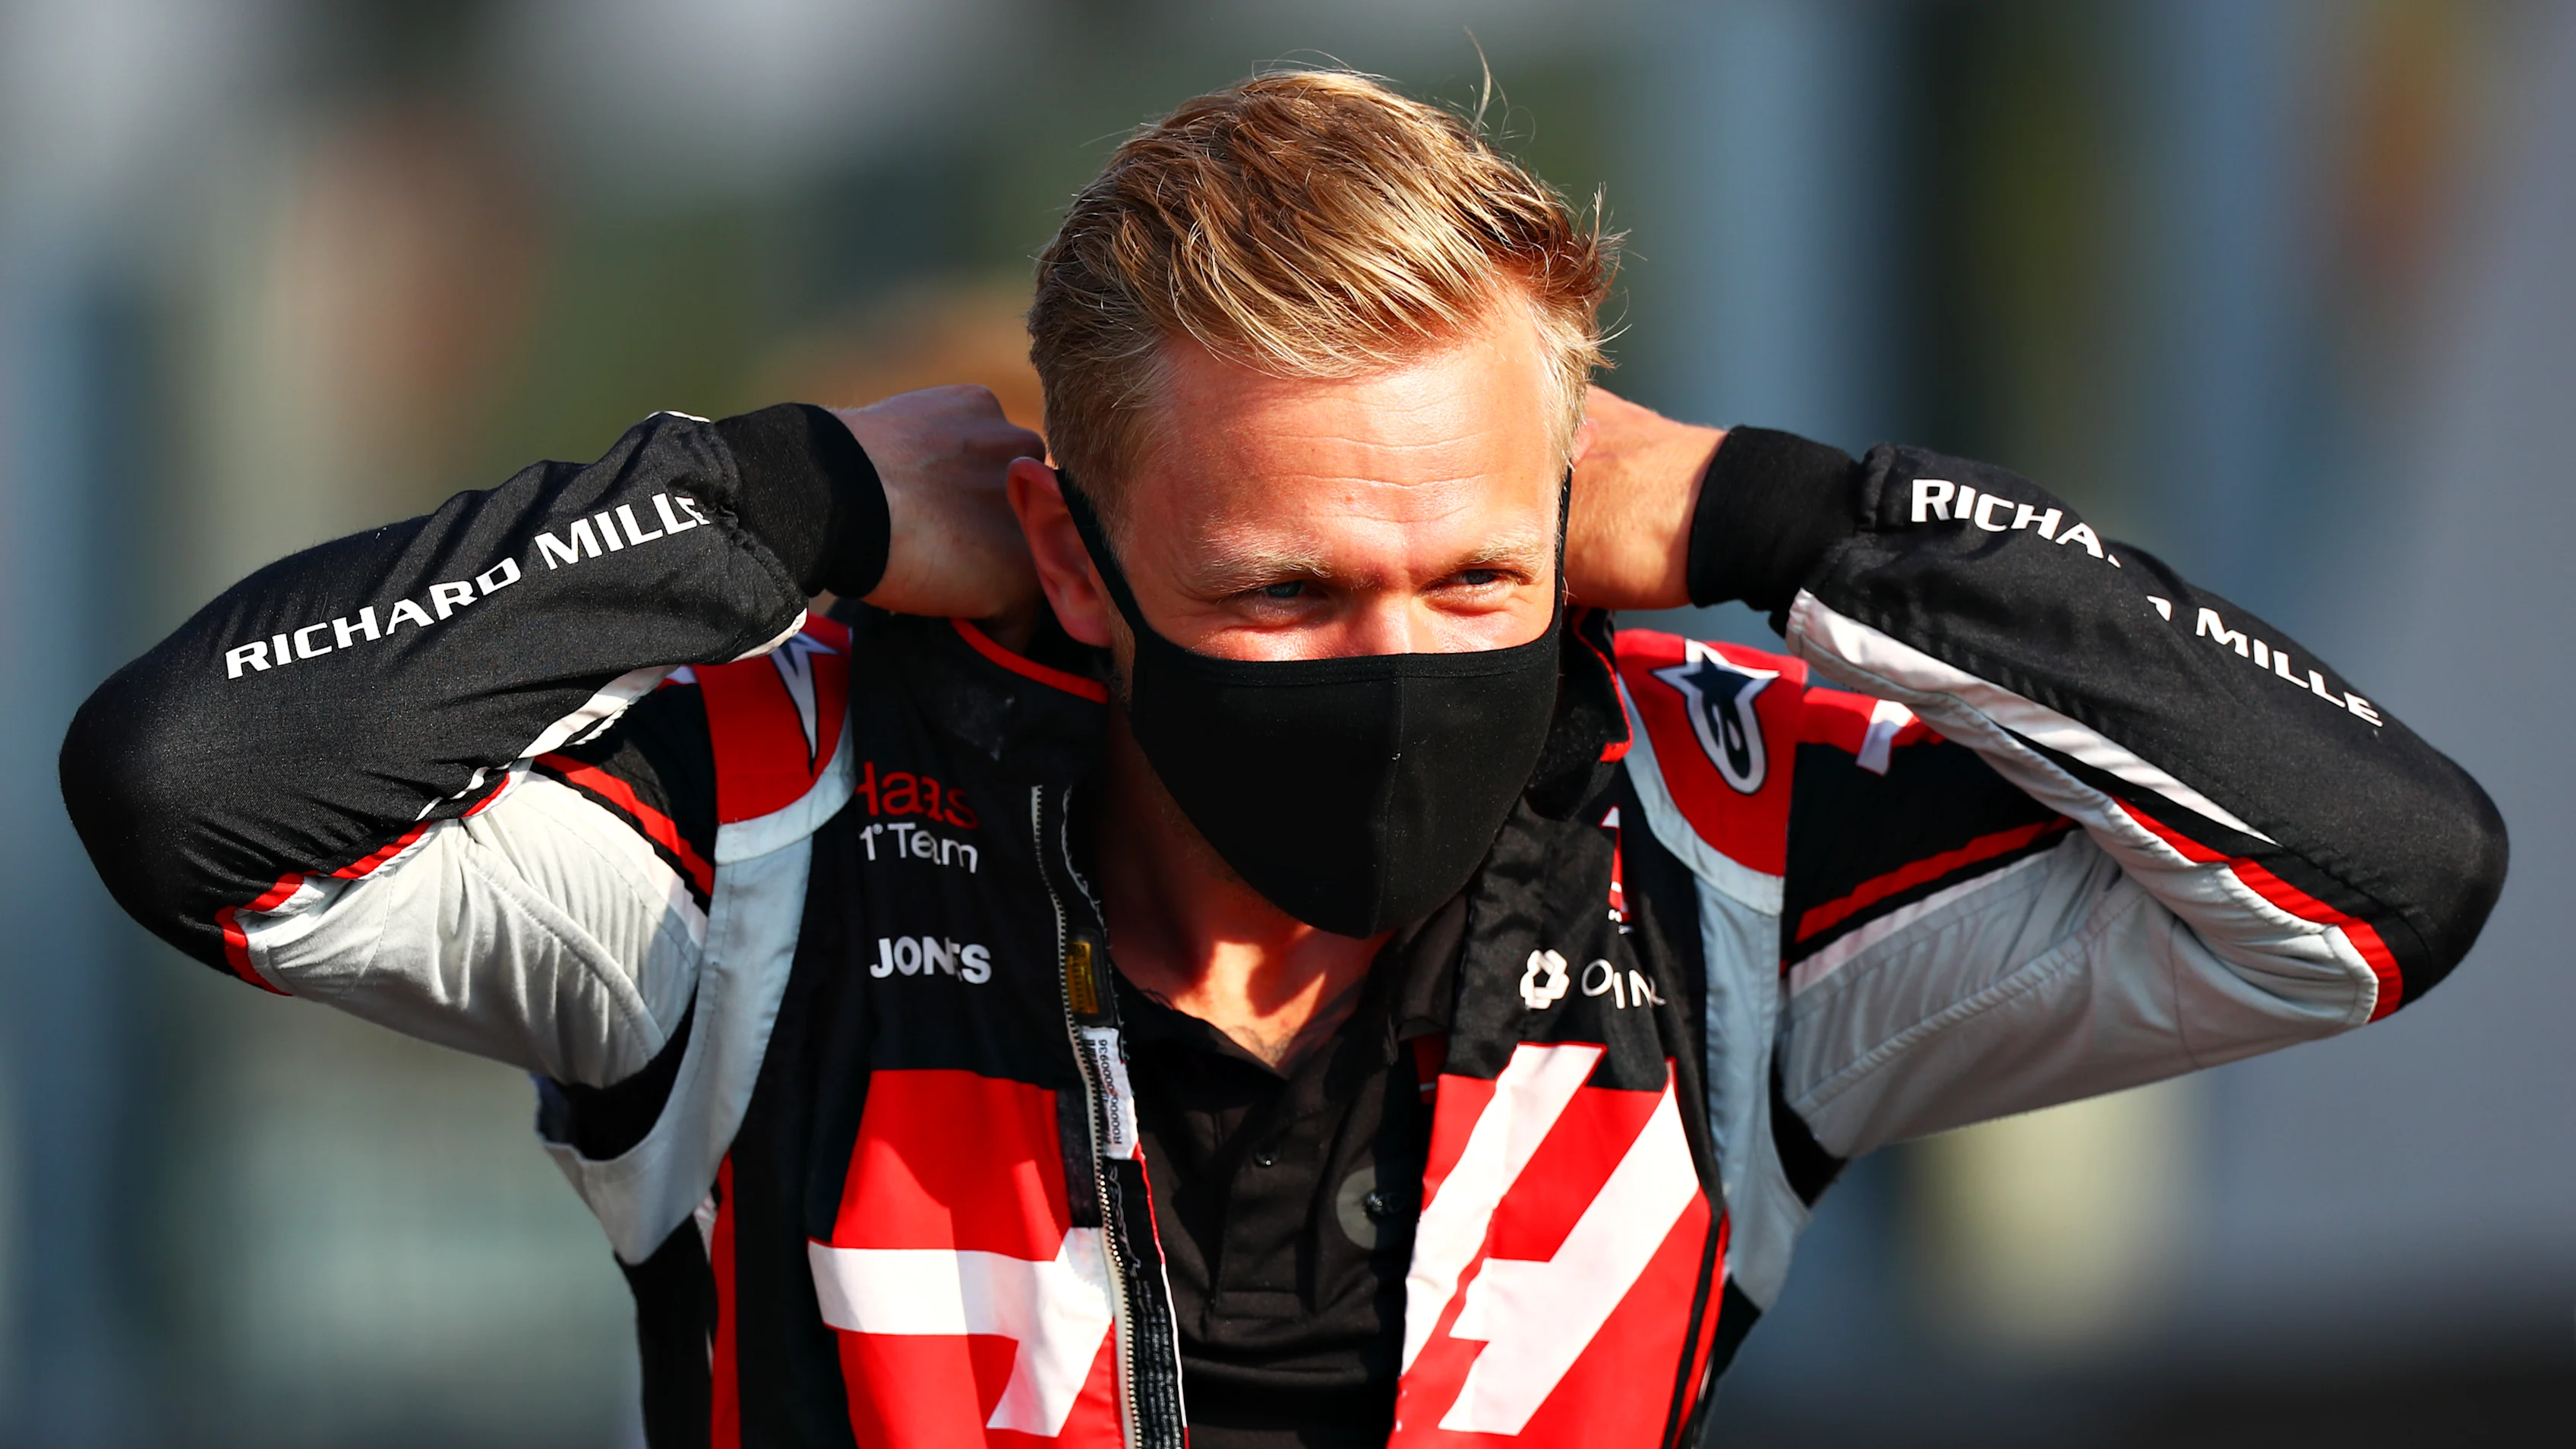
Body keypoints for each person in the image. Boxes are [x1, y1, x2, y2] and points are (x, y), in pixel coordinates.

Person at [58, 70, 2503, 1449]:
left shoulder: (1712, 846)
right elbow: (196, 785)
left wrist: (1795, 516)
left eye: (1474, 576)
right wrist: (775, 501)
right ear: (1073, 554)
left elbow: (2383, 870)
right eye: (1285, 593)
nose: (1396, 660)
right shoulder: (773, 833)